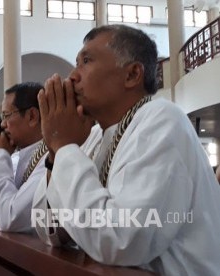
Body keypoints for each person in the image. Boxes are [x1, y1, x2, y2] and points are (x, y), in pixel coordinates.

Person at [33, 24, 220, 275]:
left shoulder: (162, 119)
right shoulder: (95, 136)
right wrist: (57, 154)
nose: (72, 76)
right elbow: (48, 229)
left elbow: (121, 241)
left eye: (86, 61)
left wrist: (64, 146)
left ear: (132, 75)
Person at [0, 82, 48, 232]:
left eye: (6, 115)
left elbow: (9, 217)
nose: (2, 124)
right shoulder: (19, 155)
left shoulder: (50, 156)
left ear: (32, 116)